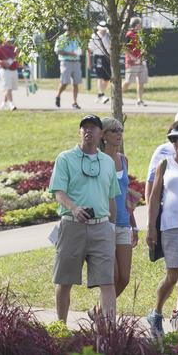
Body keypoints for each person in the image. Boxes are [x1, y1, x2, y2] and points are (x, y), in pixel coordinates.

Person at [49, 114, 121, 322]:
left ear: (101, 134)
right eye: (85, 127)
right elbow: (58, 192)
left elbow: (111, 198)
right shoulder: (65, 158)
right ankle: (61, 327)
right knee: (64, 281)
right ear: (80, 132)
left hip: (101, 227)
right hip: (72, 226)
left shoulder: (107, 162)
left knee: (107, 282)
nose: (88, 131)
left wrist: (112, 227)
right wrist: (74, 208)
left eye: (93, 128)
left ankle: (109, 333)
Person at [144, 121, 178, 338]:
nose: (177, 142)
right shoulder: (164, 164)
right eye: (173, 139)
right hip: (171, 226)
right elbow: (155, 197)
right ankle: (156, 313)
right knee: (172, 275)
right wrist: (150, 227)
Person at [100, 117, 135, 299]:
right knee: (112, 276)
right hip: (105, 223)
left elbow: (126, 194)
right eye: (114, 131)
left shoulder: (124, 160)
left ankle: (98, 311)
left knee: (124, 278)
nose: (119, 134)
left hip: (123, 223)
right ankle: (105, 319)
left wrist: (134, 225)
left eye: (120, 130)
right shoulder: (98, 160)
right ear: (104, 135)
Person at [121, 18, 149, 105]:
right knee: (128, 81)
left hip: (141, 61)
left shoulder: (141, 35)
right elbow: (124, 48)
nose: (141, 25)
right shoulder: (129, 34)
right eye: (140, 24)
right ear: (137, 25)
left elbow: (142, 46)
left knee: (141, 82)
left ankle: (139, 100)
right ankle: (118, 96)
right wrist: (133, 57)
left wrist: (143, 53)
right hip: (132, 62)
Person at [54, 28, 83, 109]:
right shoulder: (61, 38)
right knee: (65, 82)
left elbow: (80, 49)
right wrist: (70, 53)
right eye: (70, 29)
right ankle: (58, 96)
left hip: (76, 61)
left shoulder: (77, 38)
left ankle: (75, 102)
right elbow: (58, 51)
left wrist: (80, 51)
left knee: (76, 83)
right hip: (65, 61)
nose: (72, 31)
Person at [0, 37, 21, 111]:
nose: (10, 42)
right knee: (8, 87)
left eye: (11, 41)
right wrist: (1, 62)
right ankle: (11, 104)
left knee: (9, 88)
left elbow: (18, 58)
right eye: (8, 41)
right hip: (5, 70)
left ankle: (3, 103)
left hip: (14, 70)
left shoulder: (14, 48)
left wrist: (19, 63)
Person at [89, 22, 112, 103]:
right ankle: (102, 94)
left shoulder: (108, 35)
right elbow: (90, 49)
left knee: (107, 78)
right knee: (100, 76)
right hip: (98, 57)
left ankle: (100, 94)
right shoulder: (94, 36)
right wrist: (89, 62)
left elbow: (110, 48)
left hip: (107, 57)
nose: (103, 31)